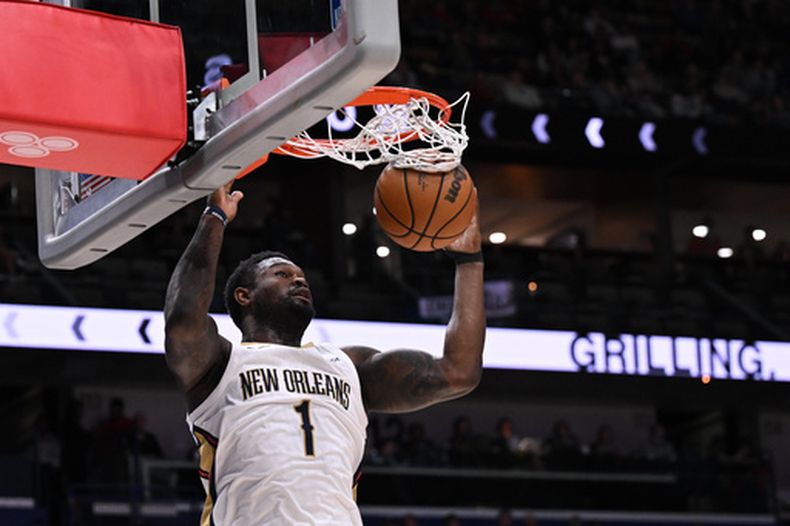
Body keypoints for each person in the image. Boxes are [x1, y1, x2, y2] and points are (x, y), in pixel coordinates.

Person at [164, 178, 486, 524]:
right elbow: (183, 320)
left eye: (301, 275)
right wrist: (214, 216)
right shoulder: (221, 365)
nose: (299, 280)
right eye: (281, 274)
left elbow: (458, 372)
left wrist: (469, 261)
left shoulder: (349, 366)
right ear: (245, 296)